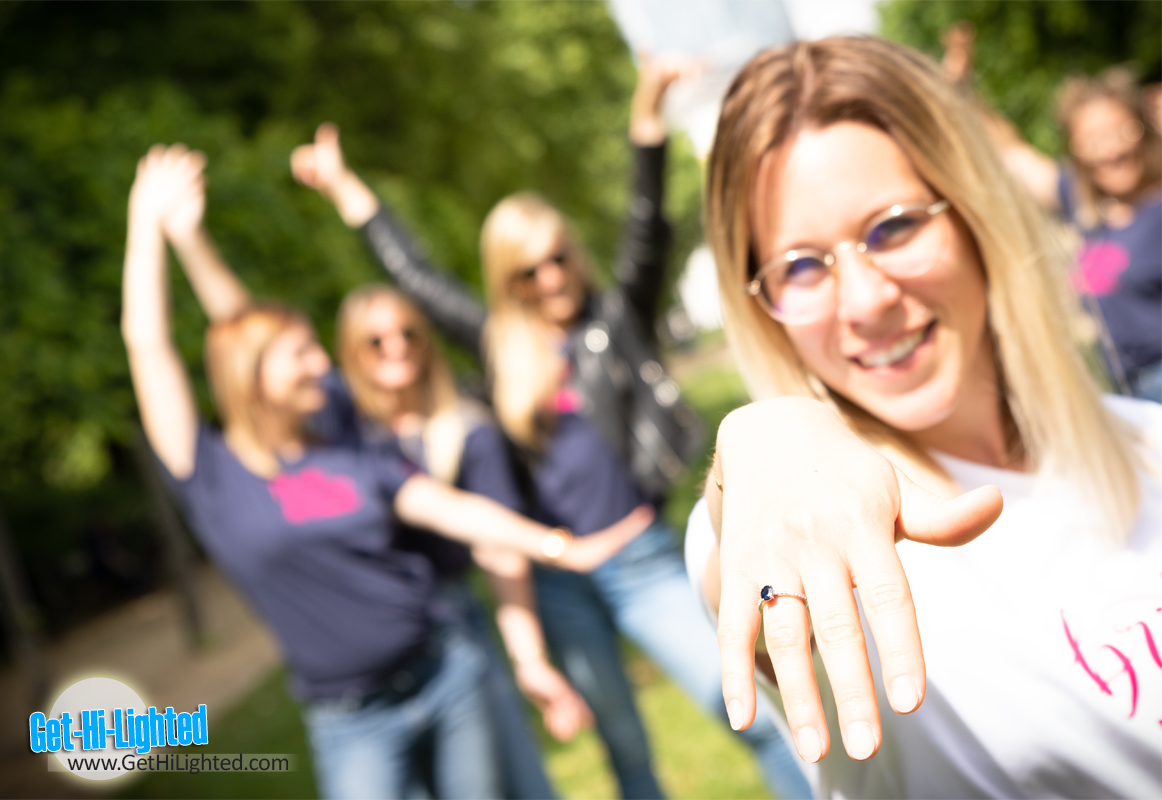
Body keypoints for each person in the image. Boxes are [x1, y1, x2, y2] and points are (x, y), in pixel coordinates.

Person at [292, 55, 813, 800]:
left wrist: (646, 118)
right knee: (626, 746)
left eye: (559, 259)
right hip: (560, 578)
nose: (551, 278)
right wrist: (346, 189)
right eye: (529, 270)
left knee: (749, 710)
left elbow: (645, 227)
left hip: (640, 557)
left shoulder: (614, 319)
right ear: (508, 279)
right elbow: (419, 280)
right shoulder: (498, 345)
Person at [685, 35, 1161, 799]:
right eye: (801, 266)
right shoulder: (799, 526)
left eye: (896, 225)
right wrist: (758, 440)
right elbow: (738, 543)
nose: (867, 298)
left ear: (975, 216)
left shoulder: (1148, 441)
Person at [121, 143, 653, 800]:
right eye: (303, 355)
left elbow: (451, 509)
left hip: (445, 666)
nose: (323, 363)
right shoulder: (208, 471)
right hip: (351, 719)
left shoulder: (341, 445)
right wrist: (153, 227)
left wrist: (561, 548)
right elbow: (161, 344)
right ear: (252, 375)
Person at [941, 22, 1162, 402]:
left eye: (1121, 132)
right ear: (1075, 150)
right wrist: (963, 88)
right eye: (1093, 141)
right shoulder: (1083, 206)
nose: (1110, 150)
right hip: (1130, 392)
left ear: (1143, 130)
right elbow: (1011, 152)